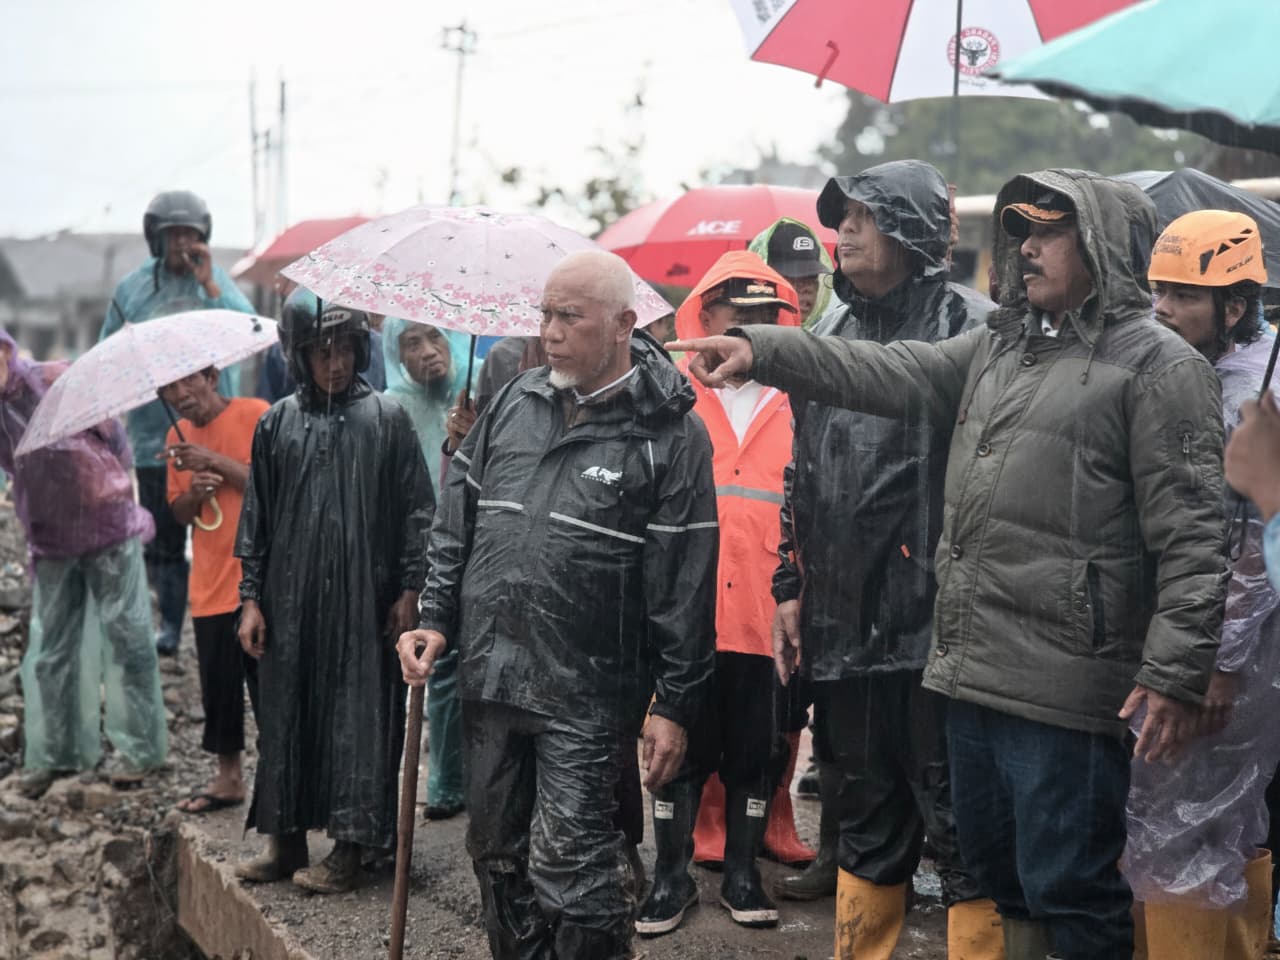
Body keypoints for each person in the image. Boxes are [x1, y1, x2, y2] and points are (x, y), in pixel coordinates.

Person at [671, 169, 1229, 960]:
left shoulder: (1159, 366)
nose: (1026, 248)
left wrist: (1175, 671)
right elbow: (889, 372)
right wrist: (761, 348)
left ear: (1102, 243)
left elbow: (1196, 533)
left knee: (1071, 887)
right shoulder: (1001, 343)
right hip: (971, 670)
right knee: (1003, 876)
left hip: (1067, 682)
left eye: (1050, 232)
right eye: (1019, 231)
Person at [398, 250, 717, 959]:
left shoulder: (669, 435)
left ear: (624, 324)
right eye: (544, 314)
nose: (549, 332)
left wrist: (675, 704)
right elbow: (456, 520)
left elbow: (686, 582)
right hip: (492, 674)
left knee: (576, 869)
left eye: (569, 316)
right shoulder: (515, 399)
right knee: (497, 855)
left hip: (589, 693)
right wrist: (435, 619)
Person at [764, 161, 1002, 957]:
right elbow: (800, 470)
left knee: (964, 829)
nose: (846, 229)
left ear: (913, 230)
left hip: (946, 633)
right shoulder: (826, 335)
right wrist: (790, 584)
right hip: (844, 626)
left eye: (866, 215)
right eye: (843, 215)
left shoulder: (977, 327)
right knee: (863, 823)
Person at [234, 291, 434, 893]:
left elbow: (417, 512)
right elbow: (256, 518)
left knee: (359, 720)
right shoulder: (276, 424)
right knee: (284, 718)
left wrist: (410, 588)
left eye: (345, 348)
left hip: (364, 603)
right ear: (299, 355)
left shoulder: (388, 420)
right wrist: (251, 598)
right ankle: (285, 840)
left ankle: (352, 848)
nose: (336, 362)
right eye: (322, 351)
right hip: (288, 603)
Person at [637, 252, 809, 937]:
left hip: (766, 616)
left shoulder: (800, 398)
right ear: (705, 318)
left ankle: (742, 872)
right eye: (739, 316)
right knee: (676, 749)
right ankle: (669, 877)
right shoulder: (670, 398)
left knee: (756, 751)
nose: (751, 328)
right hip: (686, 615)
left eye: (766, 317)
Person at [1123, 210, 1279, 957]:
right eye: (1158, 290)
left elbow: (1250, 548)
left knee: (1187, 821)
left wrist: (1217, 663)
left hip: (1228, 654)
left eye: (1183, 295)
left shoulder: (1252, 393)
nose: (1162, 308)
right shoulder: (1203, 370)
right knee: (1222, 814)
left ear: (1235, 307)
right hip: (1195, 638)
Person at [0, 330, 167, 797]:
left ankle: (140, 750)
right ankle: (57, 754)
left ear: (6, 351)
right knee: (53, 651)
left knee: (128, 637)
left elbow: (116, 442)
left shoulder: (56, 379)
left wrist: (101, 486)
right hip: (51, 537)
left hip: (106, 526)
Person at [101, 190, 256, 656]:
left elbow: (250, 329)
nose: (183, 244)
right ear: (157, 238)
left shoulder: (216, 282)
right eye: (174, 235)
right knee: (166, 535)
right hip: (156, 433)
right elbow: (109, 352)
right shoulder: (131, 290)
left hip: (218, 428)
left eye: (191, 234)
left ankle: (233, 608)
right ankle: (171, 623)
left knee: (227, 528)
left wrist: (210, 284)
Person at [158, 367, 268, 814]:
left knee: (269, 685)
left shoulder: (256, 414)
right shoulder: (175, 436)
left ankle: (283, 774)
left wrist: (212, 461)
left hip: (259, 577)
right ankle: (229, 777)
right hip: (209, 577)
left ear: (212, 377)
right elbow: (179, 512)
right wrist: (196, 493)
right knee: (219, 686)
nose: (180, 392)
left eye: (189, 380)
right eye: (170, 387)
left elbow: (271, 484)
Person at [383, 316, 471, 822]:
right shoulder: (393, 406)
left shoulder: (480, 382)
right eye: (411, 343)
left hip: (479, 538)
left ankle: (470, 776)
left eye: (435, 335)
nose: (427, 351)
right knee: (435, 661)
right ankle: (443, 779)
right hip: (426, 552)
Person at [748, 218, 834, 328]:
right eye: (791, 276)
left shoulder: (830, 331)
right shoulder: (739, 335)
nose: (806, 288)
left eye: (812, 277)